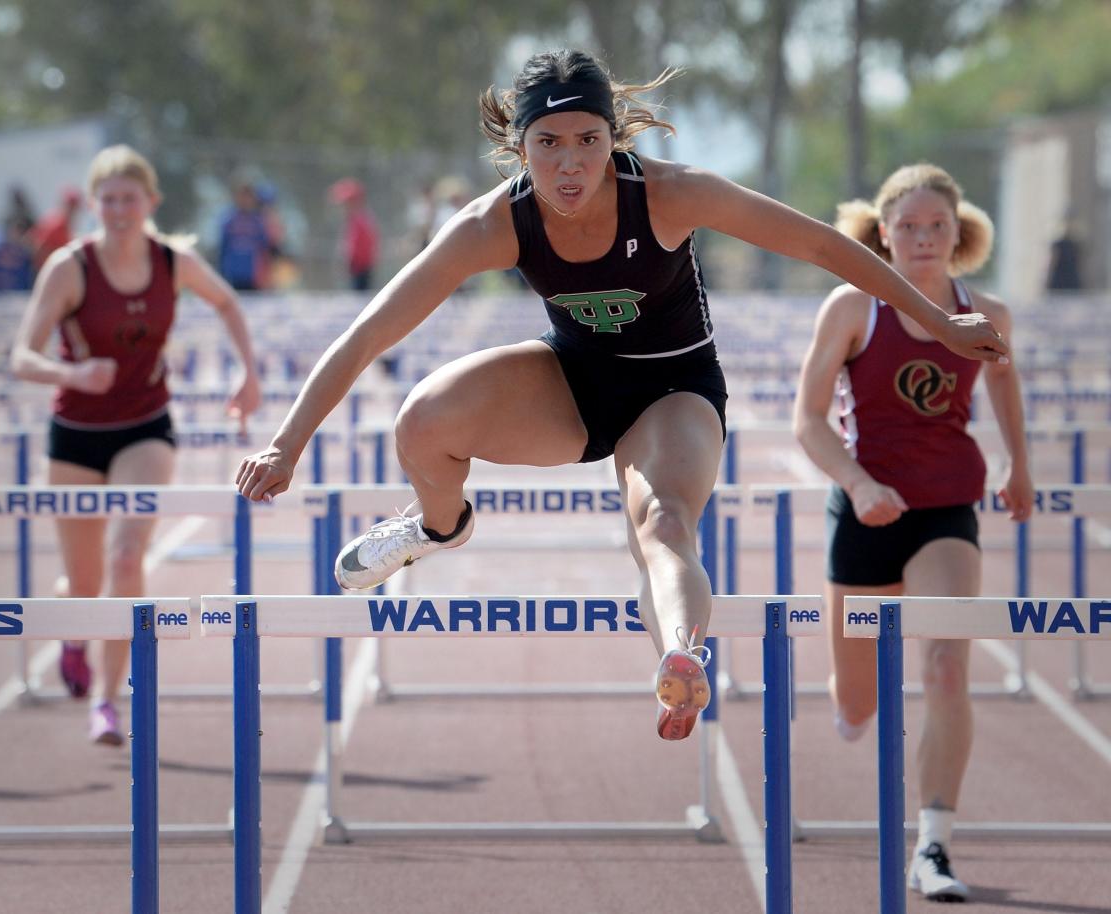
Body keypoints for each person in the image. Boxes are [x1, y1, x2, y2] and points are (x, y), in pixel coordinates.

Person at [234, 50, 1007, 743]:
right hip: (573, 380)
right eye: (549, 144)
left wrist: (935, 318)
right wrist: (287, 442)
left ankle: (681, 654)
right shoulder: (493, 225)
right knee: (423, 421)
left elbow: (818, 244)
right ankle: (438, 527)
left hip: (674, 388)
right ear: (520, 146)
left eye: (588, 142)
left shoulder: (671, 195)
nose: (570, 166)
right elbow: (368, 333)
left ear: (614, 140)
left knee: (663, 522)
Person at [793, 163, 1032, 901]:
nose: (925, 239)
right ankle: (848, 700)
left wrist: (1017, 463)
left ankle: (933, 845)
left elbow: (1002, 379)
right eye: (909, 227)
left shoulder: (985, 311)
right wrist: (859, 484)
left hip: (945, 514)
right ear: (883, 234)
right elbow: (806, 420)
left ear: (959, 235)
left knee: (944, 669)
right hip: (866, 513)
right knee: (859, 703)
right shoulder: (852, 307)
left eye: (938, 227)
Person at [10, 145, 261, 745]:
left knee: (126, 562)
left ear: (151, 202)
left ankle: (106, 699)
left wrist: (246, 374)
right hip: (74, 435)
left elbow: (227, 301)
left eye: (131, 198)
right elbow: (21, 356)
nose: (120, 210)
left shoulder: (173, 262)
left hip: (145, 426)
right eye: (109, 199)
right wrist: (71, 374)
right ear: (94, 205)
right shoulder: (70, 268)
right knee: (87, 580)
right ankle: (75, 624)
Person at [217, 177, 274, 292]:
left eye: (248, 196)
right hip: (232, 275)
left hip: (254, 277)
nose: (245, 200)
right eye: (242, 195)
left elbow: (266, 248)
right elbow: (222, 247)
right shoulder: (229, 219)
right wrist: (221, 272)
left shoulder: (258, 221)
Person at [329, 178, 380, 291]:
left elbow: (358, 250)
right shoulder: (357, 220)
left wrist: (347, 263)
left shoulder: (359, 221)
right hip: (358, 270)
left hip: (359, 270)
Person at [30, 186, 82, 273]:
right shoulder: (57, 224)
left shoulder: (63, 223)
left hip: (55, 270)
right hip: (46, 270)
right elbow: (39, 247)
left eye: (75, 207)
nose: (73, 211)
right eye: (71, 206)